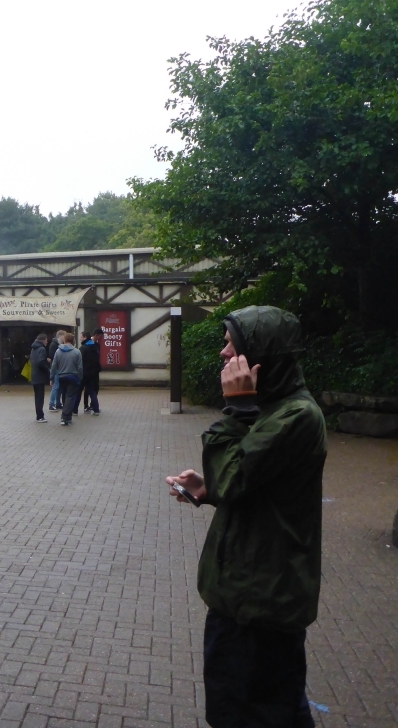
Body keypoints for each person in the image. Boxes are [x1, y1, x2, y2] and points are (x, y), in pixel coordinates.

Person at [166, 305, 326, 728]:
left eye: (229, 344)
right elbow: (253, 483)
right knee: (269, 706)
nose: (222, 353)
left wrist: (236, 410)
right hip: (248, 593)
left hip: (260, 601)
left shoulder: (294, 416)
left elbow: (237, 476)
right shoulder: (274, 410)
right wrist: (208, 488)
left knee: (250, 711)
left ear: (260, 354)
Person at [49, 331, 82, 426]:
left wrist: (52, 377)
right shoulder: (77, 352)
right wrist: (80, 377)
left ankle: (67, 417)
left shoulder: (58, 351)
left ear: (64, 340)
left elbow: (54, 365)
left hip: (61, 377)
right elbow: (80, 367)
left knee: (64, 395)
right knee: (70, 397)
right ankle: (65, 417)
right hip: (73, 377)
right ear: (73, 341)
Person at [79, 328, 102, 415]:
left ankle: (90, 406)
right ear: (96, 335)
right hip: (92, 371)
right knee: (90, 389)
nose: (80, 338)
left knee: (91, 389)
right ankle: (88, 406)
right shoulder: (93, 346)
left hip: (89, 371)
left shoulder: (87, 347)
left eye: (81, 337)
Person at [29, 333, 50, 422]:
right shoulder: (42, 349)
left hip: (34, 375)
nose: (47, 342)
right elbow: (40, 362)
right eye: (46, 340)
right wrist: (47, 368)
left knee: (37, 396)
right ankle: (40, 416)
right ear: (44, 340)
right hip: (40, 376)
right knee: (40, 397)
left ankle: (39, 415)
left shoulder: (33, 349)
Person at [47, 330, 66, 412]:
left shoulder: (58, 344)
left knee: (59, 387)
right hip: (56, 369)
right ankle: (51, 404)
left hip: (59, 368)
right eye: (64, 336)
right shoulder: (54, 345)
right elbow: (52, 357)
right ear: (60, 336)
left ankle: (58, 403)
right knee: (56, 386)